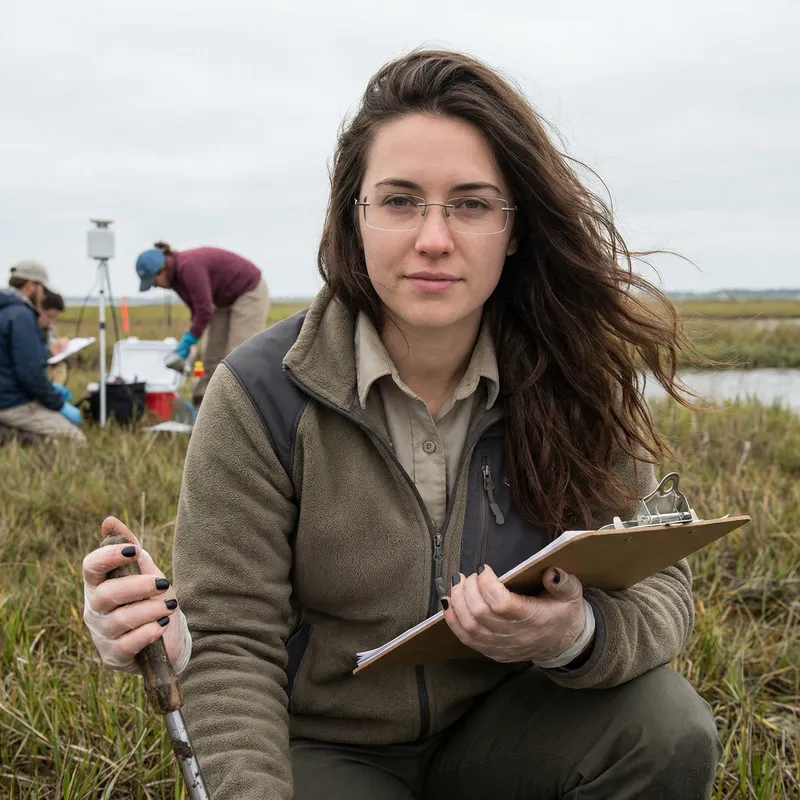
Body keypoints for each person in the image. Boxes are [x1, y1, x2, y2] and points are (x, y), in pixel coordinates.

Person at [82, 50, 721, 799]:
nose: (434, 238)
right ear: (354, 219)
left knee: (667, 725)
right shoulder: (256, 395)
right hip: (329, 748)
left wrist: (571, 635)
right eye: (399, 200)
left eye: (473, 204)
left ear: (515, 229)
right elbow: (230, 644)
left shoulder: (578, 378)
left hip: (512, 727)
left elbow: (661, 586)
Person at [134, 242, 270, 405]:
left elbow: (204, 311)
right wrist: (188, 345)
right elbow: (197, 311)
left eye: (154, 282)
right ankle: (202, 405)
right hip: (223, 300)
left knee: (239, 355)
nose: (156, 287)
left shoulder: (188, 267)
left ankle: (241, 408)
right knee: (212, 356)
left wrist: (188, 341)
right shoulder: (175, 278)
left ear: (161, 270)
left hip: (249, 291)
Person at [0, 261, 84, 443]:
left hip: (6, 396)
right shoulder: (21, 316)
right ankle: (10, 436)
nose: (44, 294)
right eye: (42, 289)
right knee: (75, 441)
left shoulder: (5, 311)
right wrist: (57, 403)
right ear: (31, 286)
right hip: (12, 402)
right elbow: (31, 375)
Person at [39, 289, 70, 385]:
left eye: (53, 318)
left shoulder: (47, 327)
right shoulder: (24, 326)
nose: (50, 322)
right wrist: (50, 352)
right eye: (49, 316)